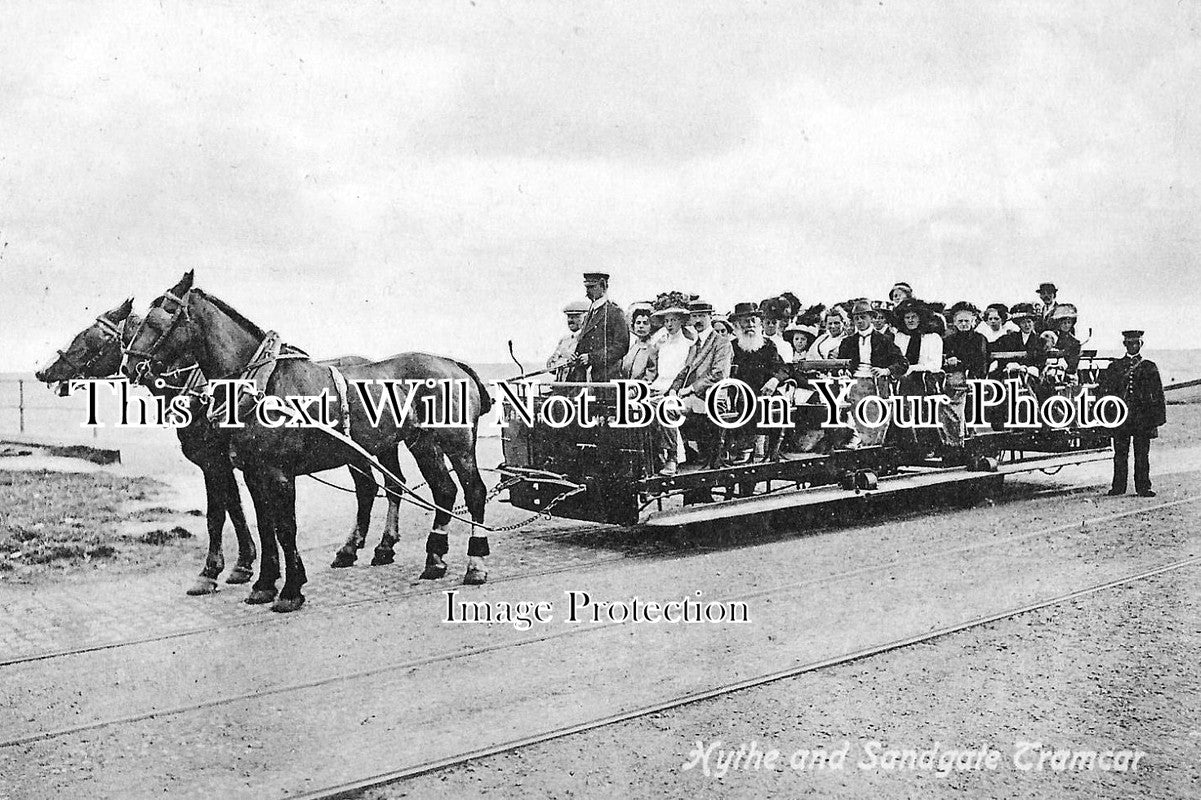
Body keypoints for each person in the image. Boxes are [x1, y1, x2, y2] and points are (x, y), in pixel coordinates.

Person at [1099, 330, 1167, 497]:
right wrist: (1108, 415)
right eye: (1130, 343)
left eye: (1136, 343)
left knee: (1142, 454)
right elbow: (1106, 392)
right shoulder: (1115, 367)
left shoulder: (1149, 367)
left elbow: (1158, 393)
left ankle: (1143, 487)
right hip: (1121, 417)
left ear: (1140, 344)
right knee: (1120, 454)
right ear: (1125, 345)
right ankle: (1118, 487)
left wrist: (1157, 418)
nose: (1133, 346)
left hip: (1142, 418)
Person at [671, 300, 734, 469]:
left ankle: (674, 458)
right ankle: (683, 454)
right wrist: (673, 390)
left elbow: (719, 374)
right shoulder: (694, 344)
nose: (697, 320)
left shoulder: (722, 342)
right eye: (694, 316)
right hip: (692, 398)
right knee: (659, 406)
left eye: (702, 316)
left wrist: (691, 389)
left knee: (668, 411)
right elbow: (685, 371)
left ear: (710, 317)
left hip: (711, 399)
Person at [836, 300, 908, 448]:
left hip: (876, 384)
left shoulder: (884, 340)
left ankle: (872, 449)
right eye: (856, 318)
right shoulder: (848, 342)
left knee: (876, 419)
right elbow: (840, 364)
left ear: (871, 318)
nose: (860, 321)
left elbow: (902, 363)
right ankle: (859, 446)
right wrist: (843, 371)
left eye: (863, 317)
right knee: (855, 417)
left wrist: (886, 370)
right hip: (854, 384)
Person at [941, 302, 989, 447]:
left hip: (971, 378)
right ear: (955, 322)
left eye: (967, 321)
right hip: (952, 379)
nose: (963, 324)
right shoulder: (948, 340)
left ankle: (960, 435)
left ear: (973, 322)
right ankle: (950, 436)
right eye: (960, 321)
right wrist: (948, 361)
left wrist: (961, 363)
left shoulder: (979, 339)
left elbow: (981, 362)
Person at [568, 272, 629, 382]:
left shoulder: (614, 312)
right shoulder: (591, 313)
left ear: (603, 286)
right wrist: (576, 355)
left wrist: (592, 358)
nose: (587, 292)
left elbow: (621, 347)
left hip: (606, 378)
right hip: (587, 377)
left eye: (592, 287)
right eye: (587, 287)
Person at [547, 299, 590, 380]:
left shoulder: (588, 340)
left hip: (578, 385)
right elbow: (551, 367)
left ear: (586, 318)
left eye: (576, 317)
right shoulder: (564, 340)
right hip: (560, 385)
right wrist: (558, 359)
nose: (570, 320)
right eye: (569, 316)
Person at [621, 305, 655, 380]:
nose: (641, 326)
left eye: (645, 323)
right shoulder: (632, 346)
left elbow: (651, 376)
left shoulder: (653, 348)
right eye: (638, 323)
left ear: (651, 326)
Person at [760, 297, 794, 363]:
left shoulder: (785, 345)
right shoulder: (757, 342)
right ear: (762, 323)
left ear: (778, 323)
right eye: (768, 322)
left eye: (774, 323)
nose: (771, 325)